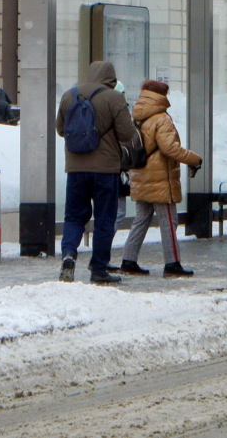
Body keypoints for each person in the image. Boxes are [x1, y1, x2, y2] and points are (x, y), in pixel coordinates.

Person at [56, 59, 135, 285]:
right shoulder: (114, 98)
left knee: (73, 216)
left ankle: (69, 254)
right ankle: (99, 269)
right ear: (111, 78)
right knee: (104, 219)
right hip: (105, 170)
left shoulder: (69, 95)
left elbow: (61, 129)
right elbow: (127, 134)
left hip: (76, 168)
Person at [122, 79, 202, 278]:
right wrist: (194, 158)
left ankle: (128, 260)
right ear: (162, 96)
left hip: (141, 175)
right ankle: (172, 264)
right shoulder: (161, 118)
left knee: (141, 219)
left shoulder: (138, 115)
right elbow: (169, 148)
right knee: (169, 221)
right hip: (159, 180)